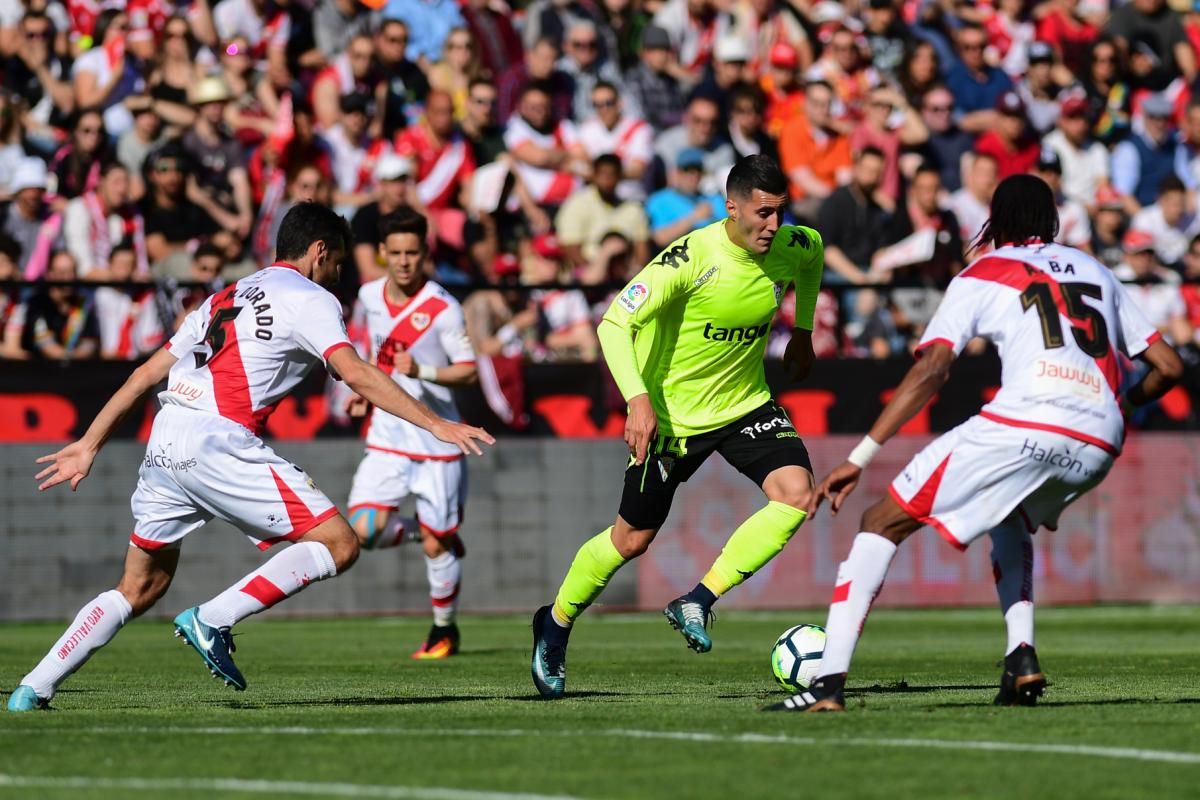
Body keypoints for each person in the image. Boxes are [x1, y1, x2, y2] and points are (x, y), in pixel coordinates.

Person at [6, 202, 493, 712]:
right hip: (219, 441)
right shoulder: (312, 298)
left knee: (139, 585)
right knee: (340, 543)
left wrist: (89, 444)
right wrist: (436, 423)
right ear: (319, 252)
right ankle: (213, 617)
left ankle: (32, 687)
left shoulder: (227, 293)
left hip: (167, 437)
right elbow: (357, 371)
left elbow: (147, 374)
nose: (339, 275)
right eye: (338, 262)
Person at [767, 174, 1184, 713]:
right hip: (1101, 438)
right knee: (1009, 517)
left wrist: (859, 456)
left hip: (1028, 421)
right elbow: (1168, 367)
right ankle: (1020, 658)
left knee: (879, 522)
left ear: (997, 222)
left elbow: (934, 368)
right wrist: (1118, 407)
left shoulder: (982, 272)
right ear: (1052, 221)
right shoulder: (1096, 269)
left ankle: (826, 688)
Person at [529, 155, 824, 699]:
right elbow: (614, 322)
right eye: (761, 214)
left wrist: (802, 329)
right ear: (730, 207)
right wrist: (637, 401)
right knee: (631, 539)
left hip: (745, 404)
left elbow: (811, 261)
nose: (773, 227)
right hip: (671, 418)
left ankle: (699, 600)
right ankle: (556, 622)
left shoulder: (797, 243)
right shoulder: (690, 257)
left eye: (779, 213)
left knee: (796, 494)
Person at [345, 209, 479, 659]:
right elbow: (372, 351)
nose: (403, 262)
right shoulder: (368, 295)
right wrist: (366, 392)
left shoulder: (444, 308)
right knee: (362, 529)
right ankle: (428, 530)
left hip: (437, 442)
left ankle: (444, 630)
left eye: (412, 253)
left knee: (439, 547)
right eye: (396, 253)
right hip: (388, 434)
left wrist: (422, 370)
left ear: (425, 253)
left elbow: (468, 371)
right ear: (382, 253)